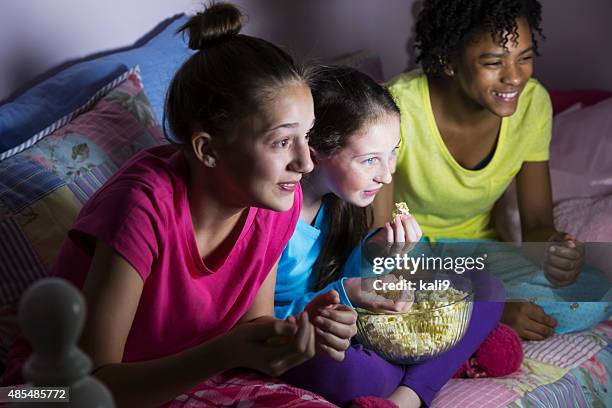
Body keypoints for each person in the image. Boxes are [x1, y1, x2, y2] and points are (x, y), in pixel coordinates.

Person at [2, 4, 356, 406]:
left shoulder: (277, 202)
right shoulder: (141, 206)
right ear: (207, 149)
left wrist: (298, 331)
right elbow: (95, 386)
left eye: (306, 136)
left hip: (191, 380)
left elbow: (254, 324)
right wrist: (226, 352)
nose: (306, 162)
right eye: (281, 141)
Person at [274, 65, 504, 408]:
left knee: (486, 286)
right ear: (317, 150)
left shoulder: (341, 201)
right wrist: (345, 293)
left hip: (352, 324)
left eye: (393, 152)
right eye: (370, 160)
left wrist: (376, 253)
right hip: (302, 338)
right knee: (361, 376)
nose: (387, 174)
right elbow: (259, 322)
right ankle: (437, 368)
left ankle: (409, 390)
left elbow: (351, 278)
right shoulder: (272, 213)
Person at [377, 0, 589, 341]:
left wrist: (554, 250)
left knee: (591, 296)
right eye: (493, 63)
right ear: (449, 61)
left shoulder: (533, 104)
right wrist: (490, 309)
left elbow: (536, 225)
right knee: (387, 305)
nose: (515, 77)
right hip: (406, 257)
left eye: (525, 57)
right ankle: (473, 321)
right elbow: (377, 247)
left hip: (478, 251)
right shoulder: (396, 108)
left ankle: (463, 325)